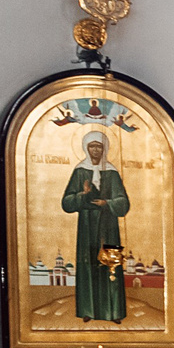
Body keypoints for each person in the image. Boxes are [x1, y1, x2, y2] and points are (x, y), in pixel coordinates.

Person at [61, 133, 130, 323]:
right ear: (86, 148)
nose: (96, 150)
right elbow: (66, 203)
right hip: (87, 226)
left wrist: (107, 203)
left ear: (104, 149)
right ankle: (88, 310)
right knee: (88, 264)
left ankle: (113, 312)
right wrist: (83, 195)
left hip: (109, 227)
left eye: (99, 146)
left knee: (111, 266)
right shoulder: (80, 171)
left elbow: (123, 203)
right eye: (92, 146)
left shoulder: (112, 172)